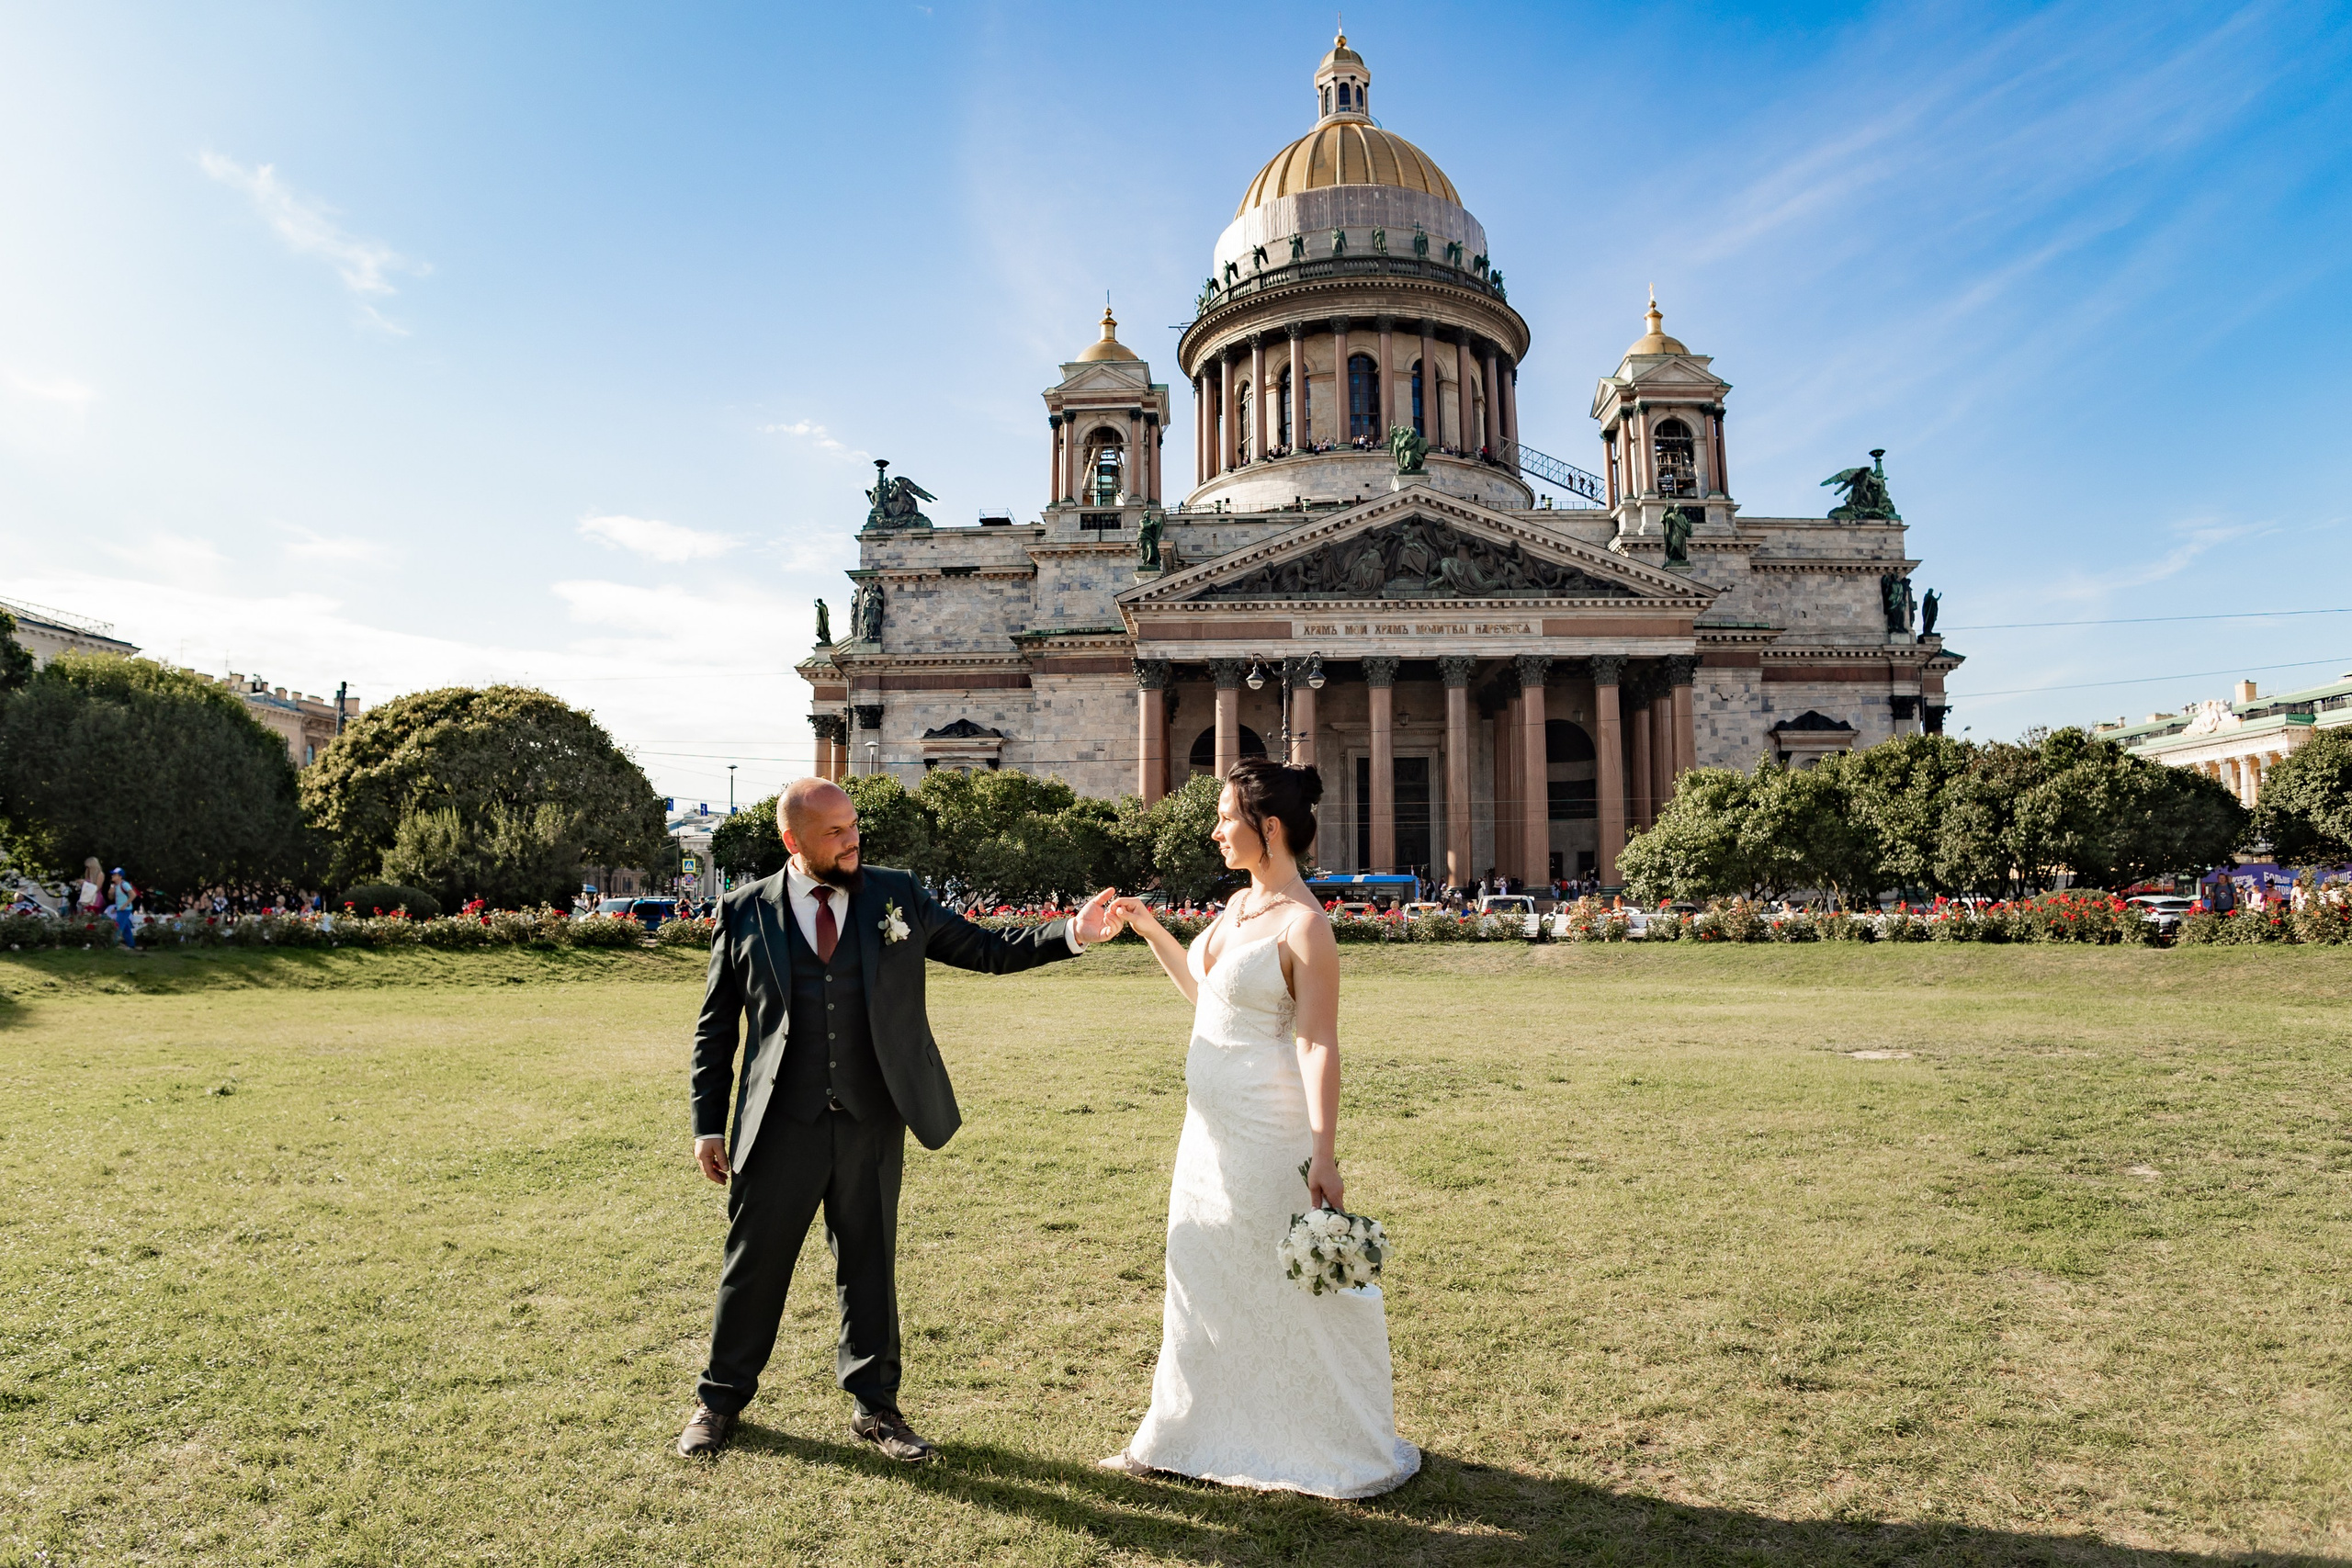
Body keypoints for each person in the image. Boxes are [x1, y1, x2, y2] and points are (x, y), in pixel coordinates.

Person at [677, 777, 1123, 1461]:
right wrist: (709, 1123)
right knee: (753, 1266)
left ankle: (877, 1408)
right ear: (793, 842)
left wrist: (1071, 934)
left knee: (870, 1265)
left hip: (871, 1117)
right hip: (776, 1125)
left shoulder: (897, 894)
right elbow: (717, 1031)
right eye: (835, 832)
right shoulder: (743, 911)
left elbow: (987, 948)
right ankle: (719, 1401)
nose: (853, 839)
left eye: (854, 825)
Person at [1100, 759, 1419, 1498]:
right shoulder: (1238, 906)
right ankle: (1182, 1431)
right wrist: (1153, 933)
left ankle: (1318, 1435)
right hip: (1205, 1137)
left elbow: (1315, 1042)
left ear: (1267, 827)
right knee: (1201, 1271)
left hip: (1265, 1131)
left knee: (1281, 1286)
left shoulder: (1306, 925)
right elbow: (1209, 995)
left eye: (1224, 817)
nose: (1215, 830)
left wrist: (1325, 1155)